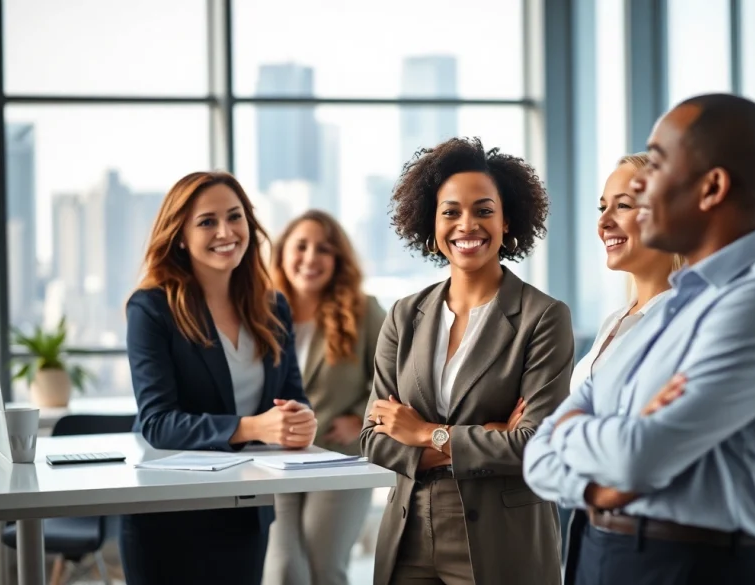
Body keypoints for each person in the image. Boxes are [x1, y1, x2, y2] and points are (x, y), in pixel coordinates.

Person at [523, 93, 755, 585]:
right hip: (600, 552)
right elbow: (538, 453)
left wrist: (576, 431)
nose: (640, 185)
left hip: (688, 567)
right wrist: (600, 484)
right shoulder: (679, 303)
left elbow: (637, 456)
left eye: (658, 162)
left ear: (712, 188)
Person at [360, 137, 574, 585]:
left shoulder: (543, 317)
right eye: (451, 212)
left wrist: (426, 433)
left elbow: (533, 444)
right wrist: (486, 437)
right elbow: (374, 439)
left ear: (506, 220)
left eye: (483, 210)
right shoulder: (404, 315)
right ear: (431, 221)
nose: (467, 225)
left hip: (503, 538)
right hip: (409, 532)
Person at [122, 171, 317, 585]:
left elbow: (292, 395)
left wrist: (300, 420)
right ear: (180, 236)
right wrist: (253, 427)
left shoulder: (273, 307)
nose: (225, 232)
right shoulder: (151, 309)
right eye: (207, 222)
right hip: (169, 514)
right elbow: (158, 422)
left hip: (244, 510)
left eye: (234, 216)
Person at [558, 153, 684, 544]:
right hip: (593, 529)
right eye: (602, 208)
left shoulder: (680, 323)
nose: (604, 222)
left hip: (648, 535)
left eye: (623, 206)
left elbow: (636, 445)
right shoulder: (615, 321)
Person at [262, 209, 387, 585]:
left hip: (339, 457)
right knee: (282, 569)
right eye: (301, 246)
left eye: (324, 249)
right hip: (273, 459)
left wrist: (362, 418)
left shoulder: (363, 310)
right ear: (283, 253)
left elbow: (396, 378)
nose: (311, 257)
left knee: (324, 568)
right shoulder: (260, 312)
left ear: (338, 259)